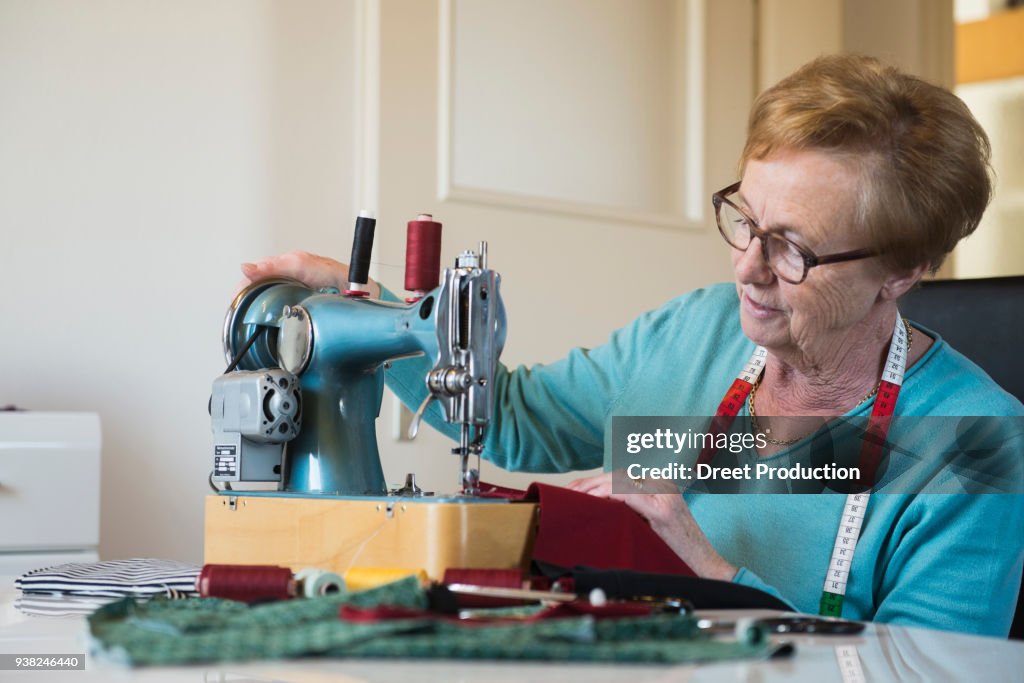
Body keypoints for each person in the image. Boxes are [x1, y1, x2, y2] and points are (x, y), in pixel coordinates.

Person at [240, 55, 1024, 636]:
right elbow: (512, 416)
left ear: (904, 269)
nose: (746, 268)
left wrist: (708, 576)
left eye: (793, 249)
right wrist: (360, 308)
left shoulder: (976, 444)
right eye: (745, 220)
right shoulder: (696, 335)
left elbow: (928, 671)